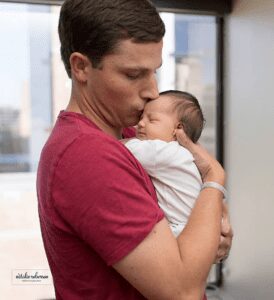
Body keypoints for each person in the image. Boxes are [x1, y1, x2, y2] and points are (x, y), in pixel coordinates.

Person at [36, 0, 233, 299]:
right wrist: (215, 180)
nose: (152, 91)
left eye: (154, 71)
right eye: (133, 74)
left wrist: (210, 228)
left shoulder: (131, 132)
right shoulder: (87, 155)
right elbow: (182, 292)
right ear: (81, 67)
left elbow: (194, 200)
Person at [124, 90, 206, 237]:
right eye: (142, 117)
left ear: (178, 130)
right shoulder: (184, 155)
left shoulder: (165, 152)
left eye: (152, 120)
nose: (140, 123)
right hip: (194, 226)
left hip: (180, 230)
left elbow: (121, 148)